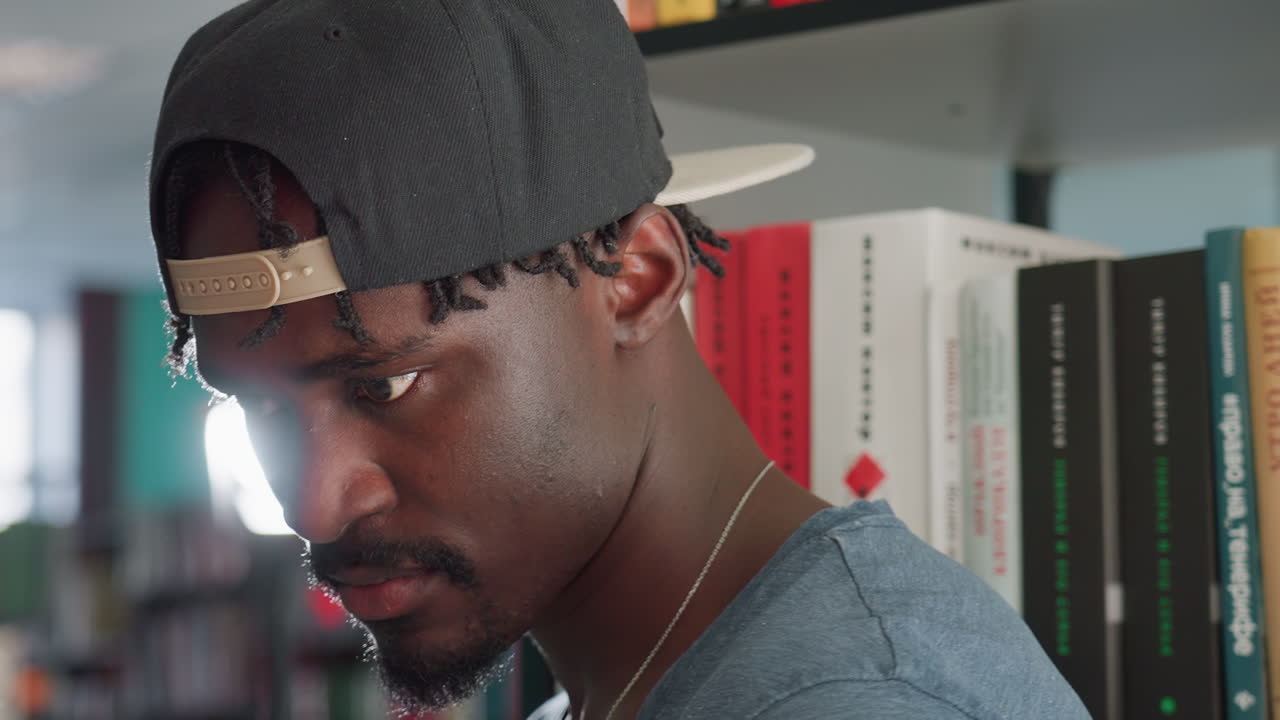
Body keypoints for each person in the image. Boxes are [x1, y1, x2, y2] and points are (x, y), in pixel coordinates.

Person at [145, 1, 1090, 718]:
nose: (310, 503)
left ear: (636, 280)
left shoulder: (853, 699)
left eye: (382, 383)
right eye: (258, 408)